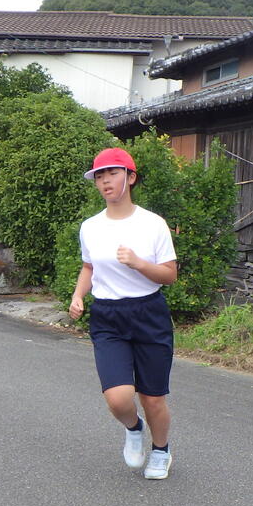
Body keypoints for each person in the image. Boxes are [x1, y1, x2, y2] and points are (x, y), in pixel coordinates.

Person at [68, 148, 178, 479]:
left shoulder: (152, 224)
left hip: (148, 313)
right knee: (118, 399)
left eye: (112, 174)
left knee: (153, 398)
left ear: (130, 177)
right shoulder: (90, 227)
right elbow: (88, 266)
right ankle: (133, 428)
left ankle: (160, 450)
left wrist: (139, 263)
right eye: (99, 176)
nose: (105, 181)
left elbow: (170, 275)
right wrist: (78, 296)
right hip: (108, 316)